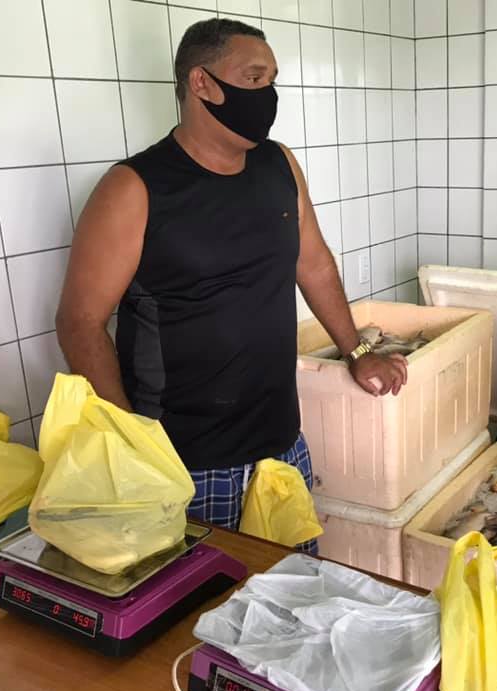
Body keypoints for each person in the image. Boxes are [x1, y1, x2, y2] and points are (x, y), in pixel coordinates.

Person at [55, 19, 408, 550]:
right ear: (201, 83)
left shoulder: (278, 165)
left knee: (294, 589)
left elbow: (313, 265)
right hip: (185, 464)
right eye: (254, 78)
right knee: (204, 602)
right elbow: (79, 323)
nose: (267, 95)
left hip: (281, 448)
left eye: (272, 80)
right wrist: (132, 443)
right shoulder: (134, 187)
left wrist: (357, 351)